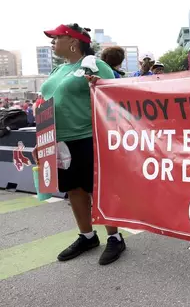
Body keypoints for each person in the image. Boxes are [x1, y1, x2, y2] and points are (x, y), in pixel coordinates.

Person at [35, 23, 126, 265]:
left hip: (89, 137)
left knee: (96, 189)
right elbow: (44, 105)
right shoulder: (57, 70)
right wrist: (42, 142)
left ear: (73, 41)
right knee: (73, 189)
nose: (53, 42)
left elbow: (116, 96)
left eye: (57, 38)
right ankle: (87, 236)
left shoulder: (94, 64)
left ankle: (115, 237)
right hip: (60, 140)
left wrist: (99, 84)